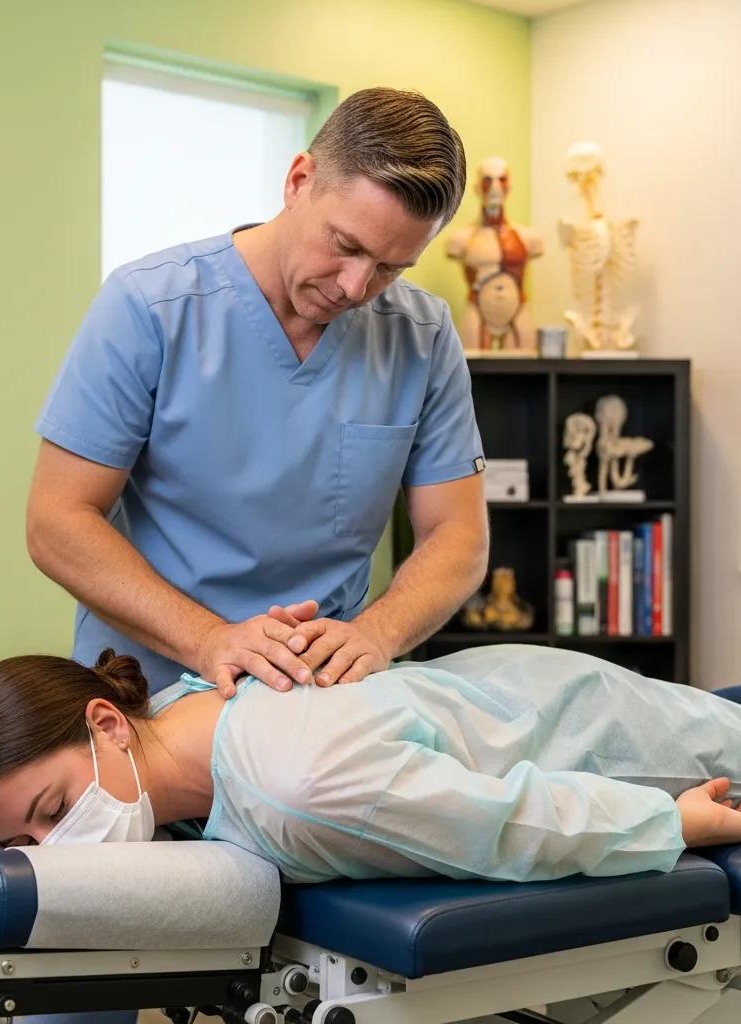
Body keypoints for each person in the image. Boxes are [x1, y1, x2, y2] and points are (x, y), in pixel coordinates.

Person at [26, 87, 488, 703]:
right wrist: (209, 638)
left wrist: (376, 634)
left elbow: (457, 535)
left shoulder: (421, 337)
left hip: (316, 704)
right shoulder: (151, 307)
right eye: (346, 246)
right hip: (149, 695)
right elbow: (57, 520)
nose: (356, 286)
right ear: (299, 180)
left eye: (390, 268)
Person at [0, 644, 741, 886]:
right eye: (25, 840)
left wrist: (671, 822)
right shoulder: (175, 713)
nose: (56, 851)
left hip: (627, 755)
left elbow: (508, 824)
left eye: (54, 810)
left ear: (106, 722)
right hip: (532, 693)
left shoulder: (297, 786)